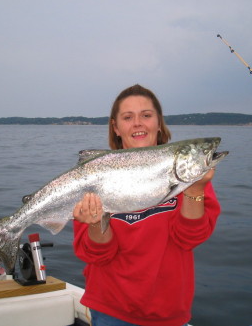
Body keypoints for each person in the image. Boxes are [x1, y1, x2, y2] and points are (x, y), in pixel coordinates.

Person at [72, 84, 221, 326]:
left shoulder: (189, 177)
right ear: (116, 127)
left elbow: (190, 239)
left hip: (169, 313)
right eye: (128, 117)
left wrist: (194, 189)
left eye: (146, 115)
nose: (138, 123)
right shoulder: (95, 178)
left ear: (159, 123)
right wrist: (97, 222)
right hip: (111, 310)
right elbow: (95, 254)